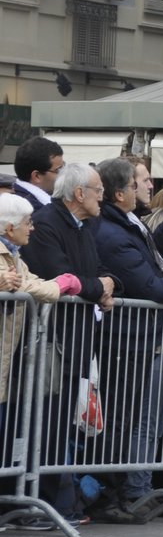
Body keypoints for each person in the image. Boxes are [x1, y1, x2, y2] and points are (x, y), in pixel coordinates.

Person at [19, 163, 115, 522]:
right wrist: (99, 288)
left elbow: (100, 270)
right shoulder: (47, 223)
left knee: (66, 423)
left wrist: (107, 285)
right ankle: (46, 503)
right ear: (80, 194)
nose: (102, 198)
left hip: (78, 335)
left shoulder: (84, 225)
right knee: (49, 420)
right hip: (54, 338)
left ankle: (63, 501)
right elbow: (60, 275)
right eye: (98, 191)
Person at [93, 157, 163, 521]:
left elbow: (155, 262)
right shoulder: (111, 231)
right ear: (120, 192)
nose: (145, 188)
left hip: (141, 336)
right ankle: (112, 494)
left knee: (132, 420)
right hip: (127, 339)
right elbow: (146, 282)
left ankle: (121, 493)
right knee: (120, 423)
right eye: (138, 183)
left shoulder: (127, 222)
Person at [0, 194, 80, 476]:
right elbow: (33, 288)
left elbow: (35, 285)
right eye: (28, 223)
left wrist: (62, 283)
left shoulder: (14, 256)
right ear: (10, 228)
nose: (32, 228)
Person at [11, 135, 63, 211]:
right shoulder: (30, 211)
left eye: (63, 166)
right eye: (58, 170)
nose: (64, 174)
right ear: (37, 176)